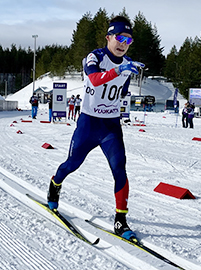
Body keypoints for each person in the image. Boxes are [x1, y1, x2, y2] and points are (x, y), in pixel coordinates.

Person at [47, 15, 144, 240]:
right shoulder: (95, 56)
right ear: (108, 37)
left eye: (128, 40)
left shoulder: (127, 66)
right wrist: (119, 72)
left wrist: (124, 73)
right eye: (120, 38)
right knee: (72, 164)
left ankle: (121, 220)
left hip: (110, 126)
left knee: (119, 169)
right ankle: (55, 184)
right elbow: (95, 79)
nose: (123, 44)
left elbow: (120, 93)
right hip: (88, 124)